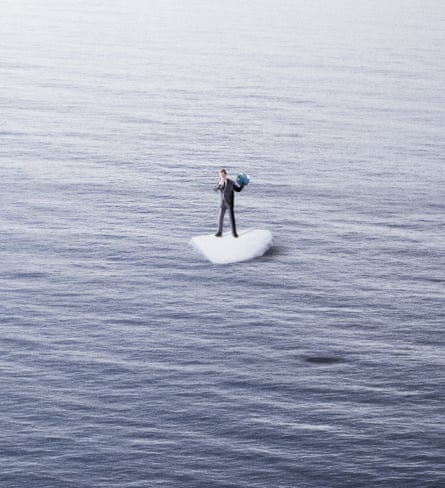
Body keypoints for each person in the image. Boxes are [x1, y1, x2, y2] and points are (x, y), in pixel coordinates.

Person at [213, 168, 244, 238]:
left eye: (223, 175)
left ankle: (234, 233)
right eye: (221, 175)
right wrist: (220, 184)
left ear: (225, 174)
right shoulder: (219, 182)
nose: (222, 177)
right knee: (220, 218)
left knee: (231, 219)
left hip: (229, 203)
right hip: (222, 203)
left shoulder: (231, 182)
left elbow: (238, 190)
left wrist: (242, 184)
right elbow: (215, 189)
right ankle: (219, 232)